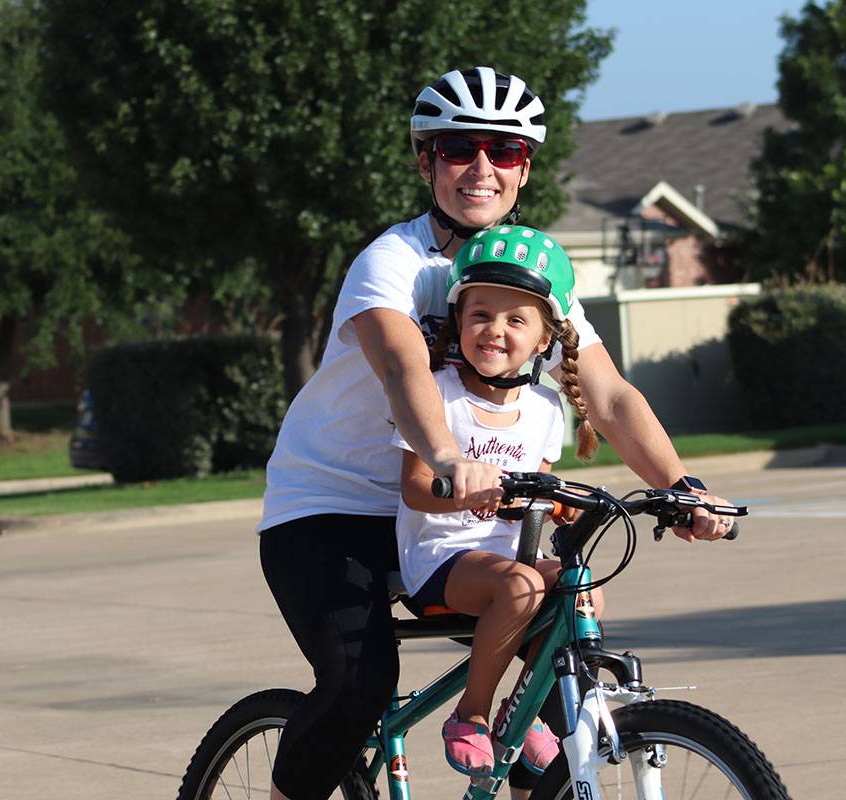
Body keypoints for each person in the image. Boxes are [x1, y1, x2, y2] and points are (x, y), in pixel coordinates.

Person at [258, 66, 734, 800]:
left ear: (525, 168)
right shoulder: (393, 264)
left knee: (554, 655)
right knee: (361, 680)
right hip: (333, 508)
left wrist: (678, 486)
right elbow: (401, 368)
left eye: (504, 151)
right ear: (427, 161)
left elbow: (605, 393)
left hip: (457, 514)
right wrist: (448, 458)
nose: (481, 168)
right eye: (458, 148)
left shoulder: (530, 273)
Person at [395, 226, 601, 776]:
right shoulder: (438, 393)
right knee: (523, 585)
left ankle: (524, 709)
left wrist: (565, 502)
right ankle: (471, 713)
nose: (493, 330)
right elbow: (414, 486)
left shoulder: (544, 408)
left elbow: (539, 489)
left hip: (511, 558)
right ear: (458, 321)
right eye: (479, 314)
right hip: (440, 556)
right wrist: (461, 483)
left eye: (516, 320)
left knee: (584, 593)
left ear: (543, 341)